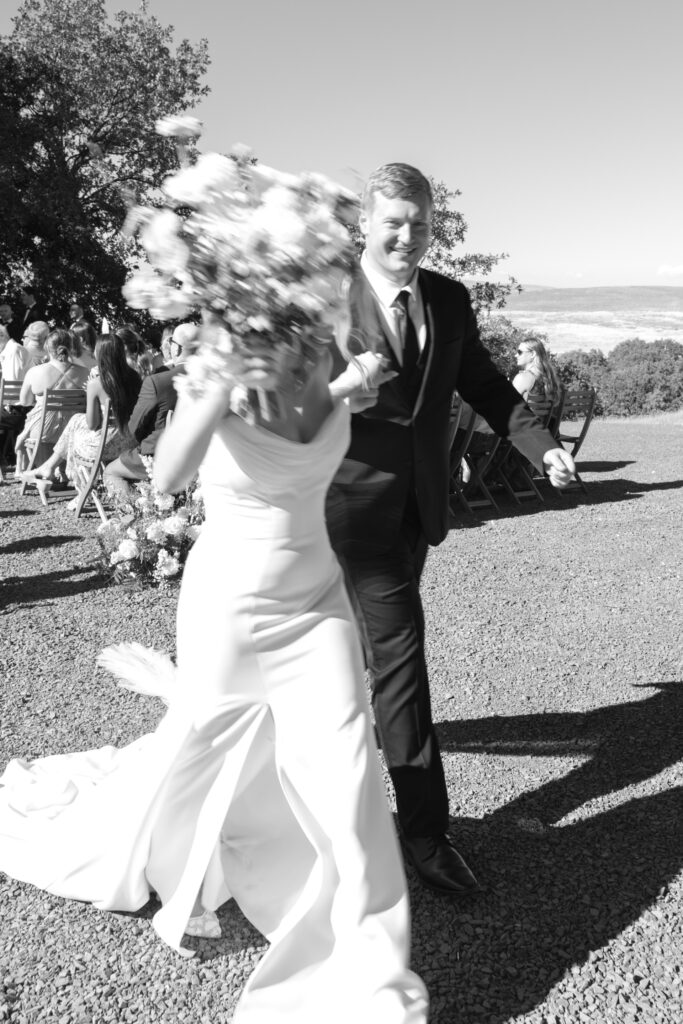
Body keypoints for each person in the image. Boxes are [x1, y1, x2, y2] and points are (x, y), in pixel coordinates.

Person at [0, 330, 429, 1023]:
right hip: (229, 602)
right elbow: (165, 474)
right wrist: (214, 387)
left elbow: (343, 399)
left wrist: (358, 385)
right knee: (207, 741)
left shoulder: (326, 360)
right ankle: (181, 858)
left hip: (317, 598)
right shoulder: (215, 368)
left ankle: (370, 976)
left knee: (349, 755)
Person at [325, 163, 576, 898]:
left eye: (422, 224)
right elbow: (281, 398)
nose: (408, 236)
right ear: (364, 223)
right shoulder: (317, 295)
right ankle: (420, 833)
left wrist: (541, 445)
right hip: (332, 510)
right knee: (386, 661)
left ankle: (400, 817)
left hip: (416, 512)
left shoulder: (448, 298)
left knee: (381, 663)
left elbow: (487, 387)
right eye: (394, 222)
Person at [20, 334, 142, 503]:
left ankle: (57, 473)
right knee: (76, 420)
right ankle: (49, 467)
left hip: (103, 447)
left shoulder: (96, 383)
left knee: (75, 425)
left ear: (100, 354)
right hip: (130, 442)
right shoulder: (136, 378)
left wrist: (90, 395)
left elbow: (93, 425)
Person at [103, 323, 194, 498]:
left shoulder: (158, 381)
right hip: (202, 456)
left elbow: (133, 427)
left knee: (110, 471)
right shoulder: (217, 381)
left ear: (177, 348)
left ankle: (134, 517)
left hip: (160, 455)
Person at [14, 328, 90, 472]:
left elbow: (24, 402)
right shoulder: (85, 372)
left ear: (47, 347)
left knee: (28, 424)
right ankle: (60, 470)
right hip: (73, 431)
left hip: (42, 430)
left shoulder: (35, 372)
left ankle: (30, 468)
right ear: (71, 347)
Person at [512, 337, 561, 403]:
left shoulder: (523, 378)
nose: (516, 355)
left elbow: (508, 404)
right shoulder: (550, 379)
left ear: (532, 354)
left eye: (520, 352)